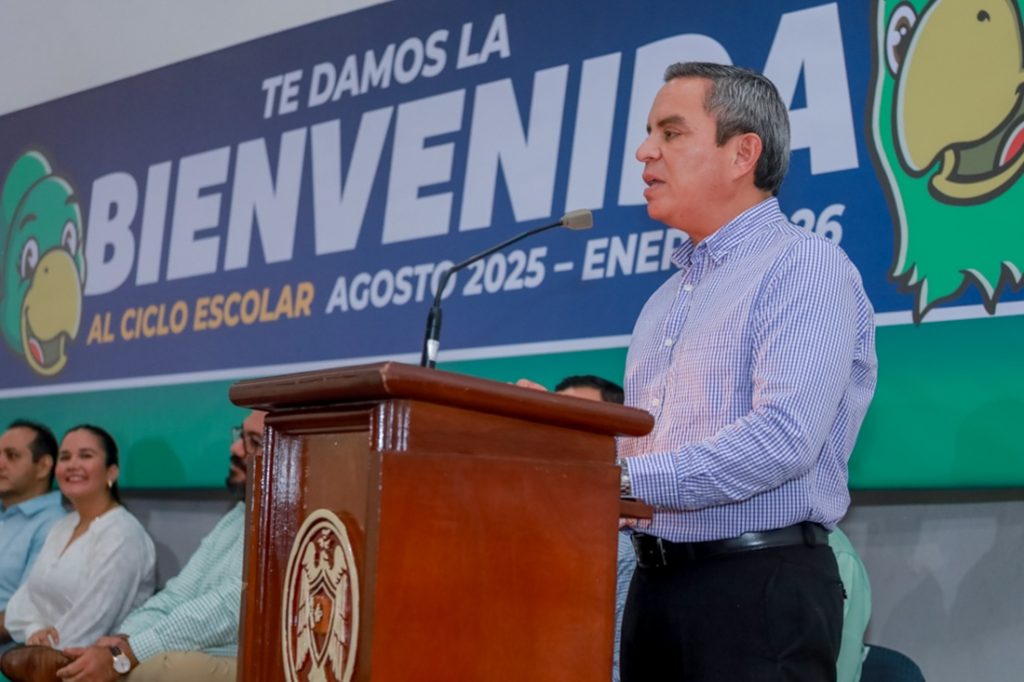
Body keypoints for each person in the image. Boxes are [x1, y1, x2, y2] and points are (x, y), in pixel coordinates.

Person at [617, 62, 877, 681]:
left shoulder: (804, 267)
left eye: (671, 133)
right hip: (653, 588)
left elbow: (784, 438)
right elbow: (638, 450)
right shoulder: (661, 303)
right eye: (649, 134)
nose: (645, 151)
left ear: (743, 154)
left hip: (756, 590)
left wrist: (619, 480)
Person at [54, 409, 266, 681]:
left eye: (254, 442)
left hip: (243, 660)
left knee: (171, 670)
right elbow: (176, 595)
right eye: (240, 435)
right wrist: (123, 640)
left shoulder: (290, 523)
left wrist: (126, 654)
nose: (235, 448)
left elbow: (231, 605)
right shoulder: (238, 516)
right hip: (183, 650)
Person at [4, 425, 155, 649]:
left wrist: (45, 649)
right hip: (40, 654)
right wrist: (34, 630)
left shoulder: (122, 533)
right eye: (65, 457)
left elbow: (93, 623)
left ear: (111, 472)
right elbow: (24, 601)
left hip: (89, 662)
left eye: (85, 455)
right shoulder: (63, 526)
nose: (72, 465)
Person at [554, 376, 633, 682]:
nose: (563, 430)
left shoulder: (620, 547)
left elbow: (616, 666)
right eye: (556, 416)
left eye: (580, 417)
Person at [0, 420, 65, 647]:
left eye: (12, 456)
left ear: (43, 466)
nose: (0, 463)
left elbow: (27, 614)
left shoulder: (54, 525)